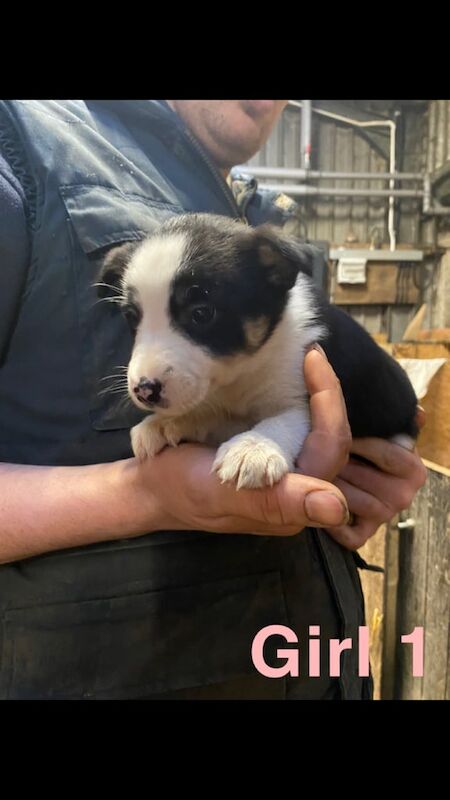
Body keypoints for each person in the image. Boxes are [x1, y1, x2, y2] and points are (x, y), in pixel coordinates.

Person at [0, 99, 426, 700]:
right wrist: (145, 494)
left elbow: (298, 412)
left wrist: (360, 483)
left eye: (198, 314)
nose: (142, 374)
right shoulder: (22, 142)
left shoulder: (256, 216)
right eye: (134, 319)